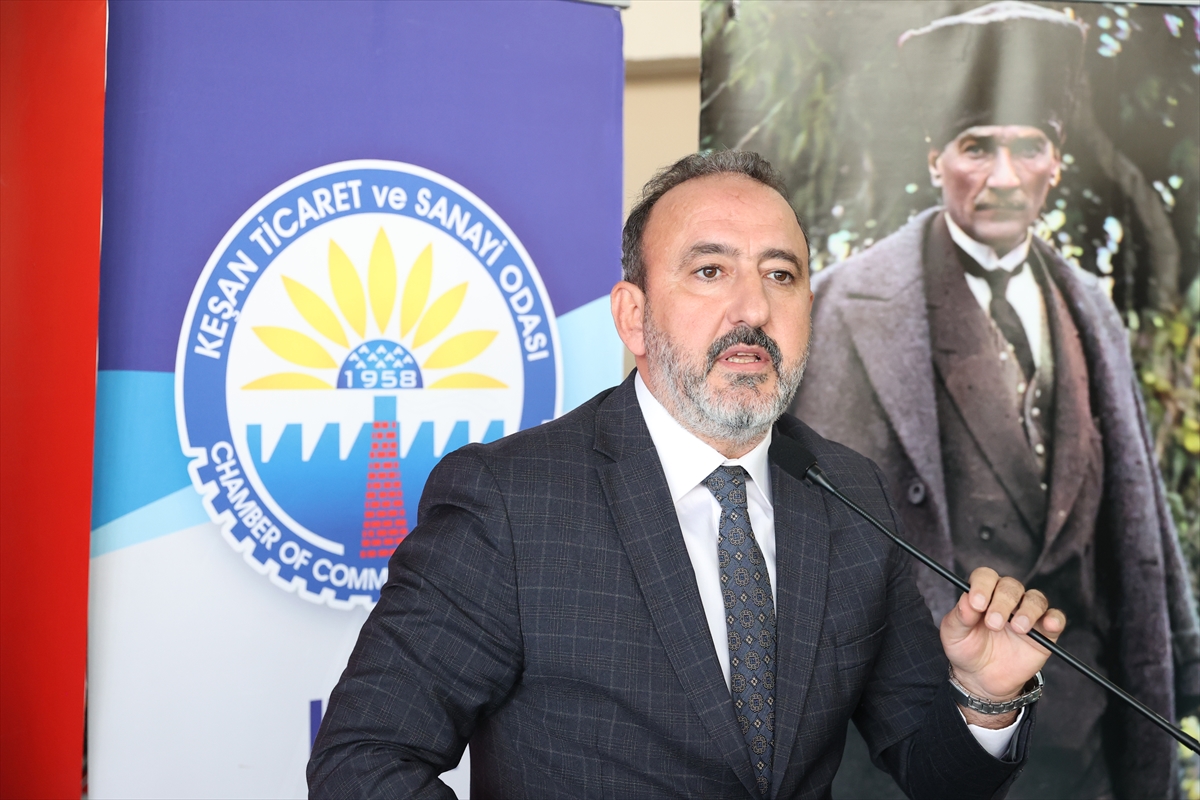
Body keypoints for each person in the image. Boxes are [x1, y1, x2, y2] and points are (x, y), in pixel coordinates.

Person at [308, 150, 1066, 799]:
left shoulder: (849, 492)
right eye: (710, 271)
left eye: (781, 274)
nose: (753, 308)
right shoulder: (509, 500)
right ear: (633, 317)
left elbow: (932, 773)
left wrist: (985, 699)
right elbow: (363, 760)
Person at [791, 4, 1200, 799]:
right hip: (923, 740)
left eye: (1028, 147)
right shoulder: (840, 308)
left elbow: (1133, 522)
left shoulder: (1091, 310)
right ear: (935, 157)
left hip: (1079, 741)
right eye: (977, 147)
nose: (1004, 178)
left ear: (1058, 161)